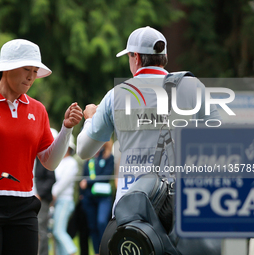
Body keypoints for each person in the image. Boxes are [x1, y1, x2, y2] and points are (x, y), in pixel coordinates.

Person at [76, 26, 221, 255]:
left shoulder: (116, 95)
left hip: (132, 214)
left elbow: (83, 150)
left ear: (135, 58)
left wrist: (89, 119)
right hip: (182, 211)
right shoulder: (193, 87)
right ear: (164, 57)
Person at [0, 39, 83, 255]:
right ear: (6, 69)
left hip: (24, 206)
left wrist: (67, 129)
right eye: (26, 69)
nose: (31, 76)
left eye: (35, 71)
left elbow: (50, 162)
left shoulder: (38, 110)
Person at [79, 140, 114, 255]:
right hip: (89, 198)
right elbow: (83, 176)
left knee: (101, 222)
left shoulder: (108, 157)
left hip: (103, 197)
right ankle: (96, 252)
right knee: (92, 226)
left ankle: (105, 250)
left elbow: (105, 176)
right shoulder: (90, 158)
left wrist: (88, 182)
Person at [52, 135, 78, 255]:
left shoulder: (71, 163)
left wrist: (53, 194)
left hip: (65, 201)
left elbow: (63, 183)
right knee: (54, 232)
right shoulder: (58, 162)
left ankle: (71, 252)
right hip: (56, 201)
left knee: (58, 231)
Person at [34, 128, 57, 255]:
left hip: (42, 200)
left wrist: (39, 194)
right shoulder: (33, 158)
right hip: (32, 198)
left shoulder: (46, 158)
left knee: (41, 230)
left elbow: (51, 179)